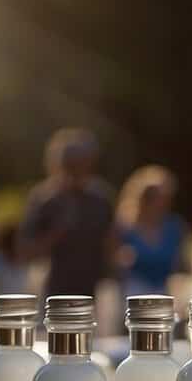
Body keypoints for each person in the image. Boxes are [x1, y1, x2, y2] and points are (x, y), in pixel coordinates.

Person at [16, 127, 117, 298]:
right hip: (53, 294)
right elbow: (24, 251)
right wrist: (55, 234)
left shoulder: (101, 198)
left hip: (95, 292)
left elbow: (112, 245)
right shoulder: (43, 199)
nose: (75, 170)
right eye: (70, 164)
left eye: (80, 163)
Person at [116, 166, 186, 296]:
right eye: (153, 197)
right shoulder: (125, 227)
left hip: (166, 291)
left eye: (165, 198)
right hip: (132, 292)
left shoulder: (174, 227)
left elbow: (180, 265)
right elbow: (114, 265)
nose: (160, 203)